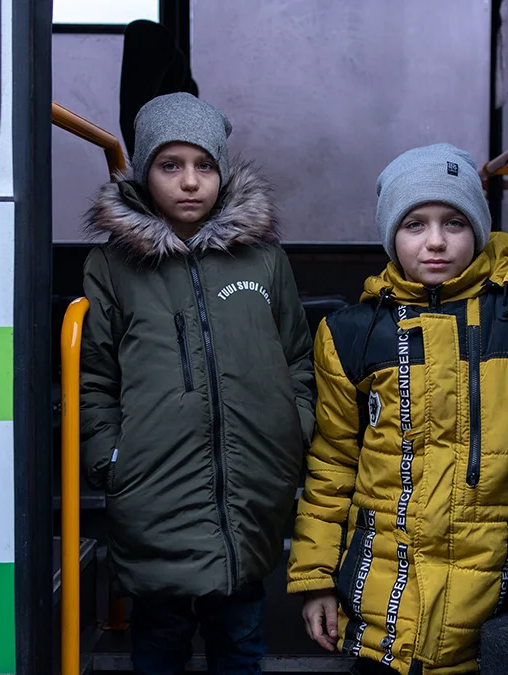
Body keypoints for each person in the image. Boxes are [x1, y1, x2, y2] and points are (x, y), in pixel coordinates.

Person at [288, 143, 508, 675]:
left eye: (454, 222)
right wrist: (315, 579)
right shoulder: (354, 333)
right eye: (415, 225)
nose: (437, 241)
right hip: (383, 615)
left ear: (480, 230)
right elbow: (331, 465)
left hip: (500, 609)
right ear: (390, 237)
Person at [80, 92, 316, 675]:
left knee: (240, 636)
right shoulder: (113, 266)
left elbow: (298, 358)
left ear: (223, 172)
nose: (190, 182)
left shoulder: (263, 258)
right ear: (141, 173)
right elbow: (94, 379)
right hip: (152, 488)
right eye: (170, 166)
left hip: (249, 490)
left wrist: (294, 430)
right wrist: (112, 457)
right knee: (160, 638)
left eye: (204, 166)